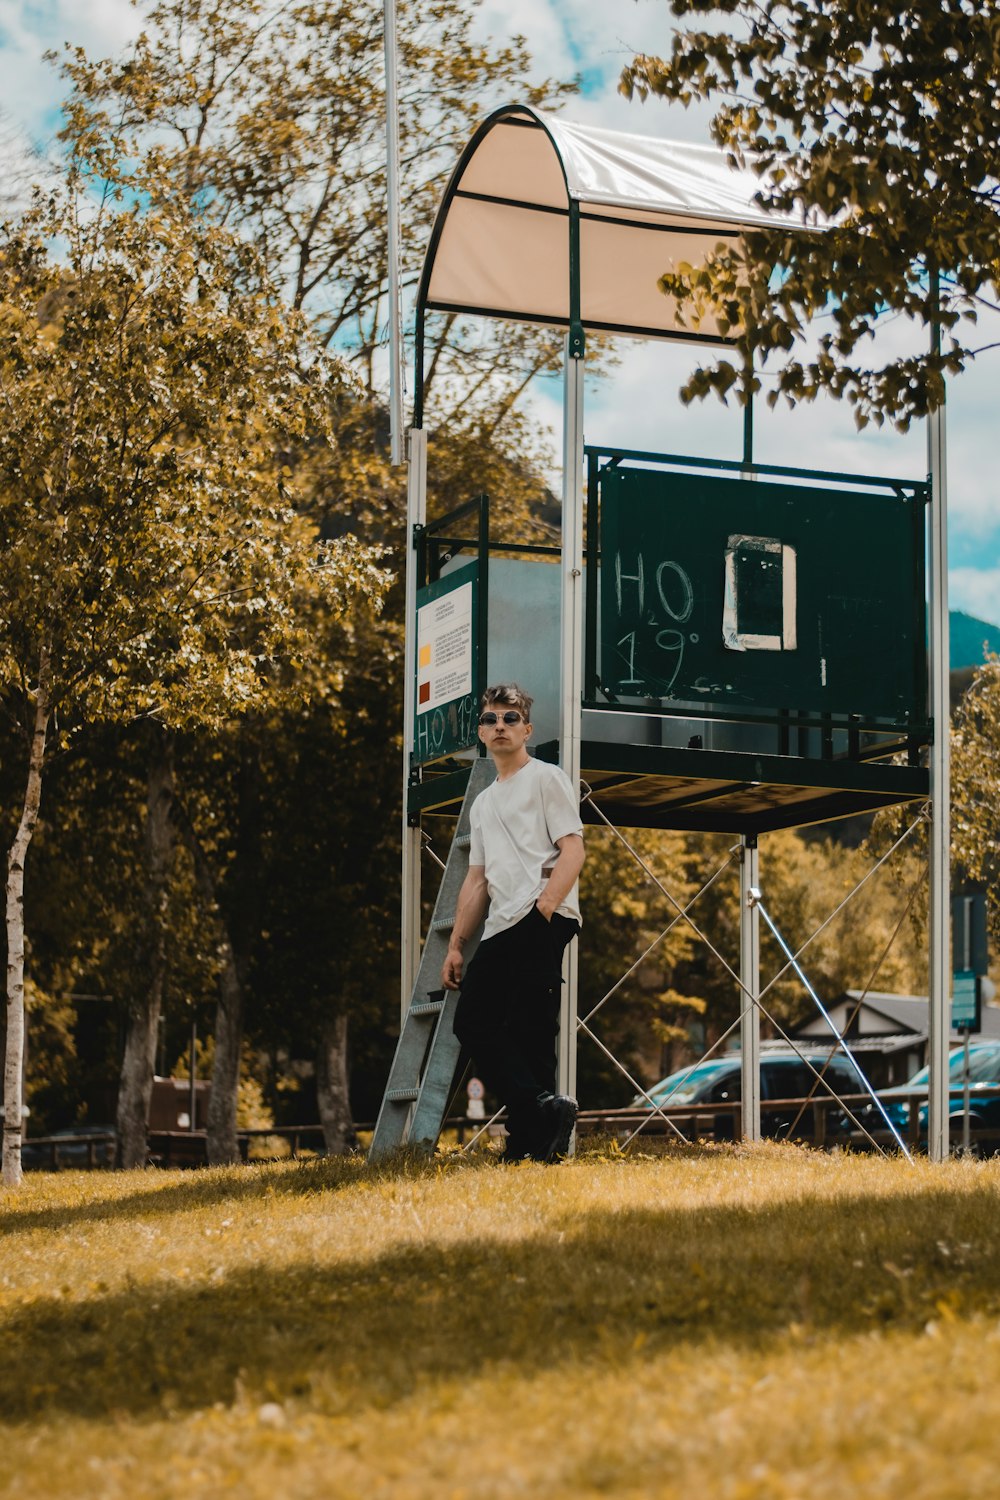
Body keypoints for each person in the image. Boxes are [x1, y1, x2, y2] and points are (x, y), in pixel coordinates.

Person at [442, 683, 585, 1162]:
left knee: (515, 1026)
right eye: (490, 719)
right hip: (501, 923)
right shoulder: (483, 803)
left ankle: (531, 1134)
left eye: (509, 718)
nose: (499, 726)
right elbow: (477, 880)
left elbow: (574, 849)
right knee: (492, 1024)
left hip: (541, 916)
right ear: (480, 731)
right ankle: (539, 1124)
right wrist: (457, 945)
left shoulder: (546, 778)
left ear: (527, 728)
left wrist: (545, 908)